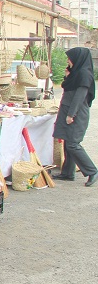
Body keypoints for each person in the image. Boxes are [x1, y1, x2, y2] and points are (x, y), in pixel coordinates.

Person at [52, 47, 97, 186]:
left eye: (70, 58)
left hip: (76, 113)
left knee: (72, 144)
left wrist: (71, 114)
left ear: (78, 59)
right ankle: (67, 173)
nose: (68, 61)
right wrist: (67, 76)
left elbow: (79, 97)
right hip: (69, 111)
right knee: (67, 142)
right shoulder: (76, 73)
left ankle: (92, 171)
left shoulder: (84, 74)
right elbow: (68, 87)